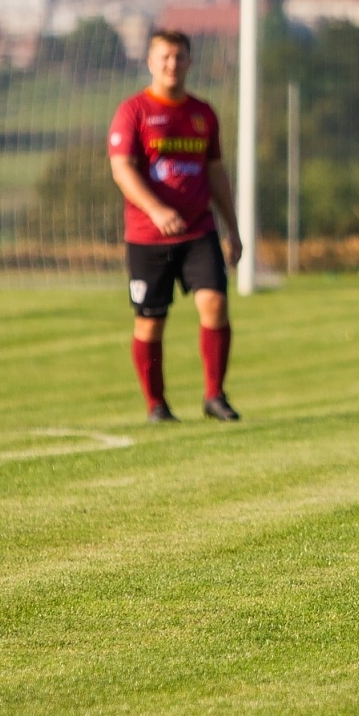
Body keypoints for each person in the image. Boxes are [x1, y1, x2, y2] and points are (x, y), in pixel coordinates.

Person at [109, 29, 243, 423]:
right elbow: (122, 170)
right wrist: (155, 210)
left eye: (179, 57)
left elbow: (216, 172)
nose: (172, 64)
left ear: (189, 61)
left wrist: (232, 228)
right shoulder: (133, 112)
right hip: (148, 237)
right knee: (151, 321)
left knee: (214, 303)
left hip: (199, 229)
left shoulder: (203, 114)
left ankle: (215, 396)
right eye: (164, 57)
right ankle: (156, 405)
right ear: (150, 62)